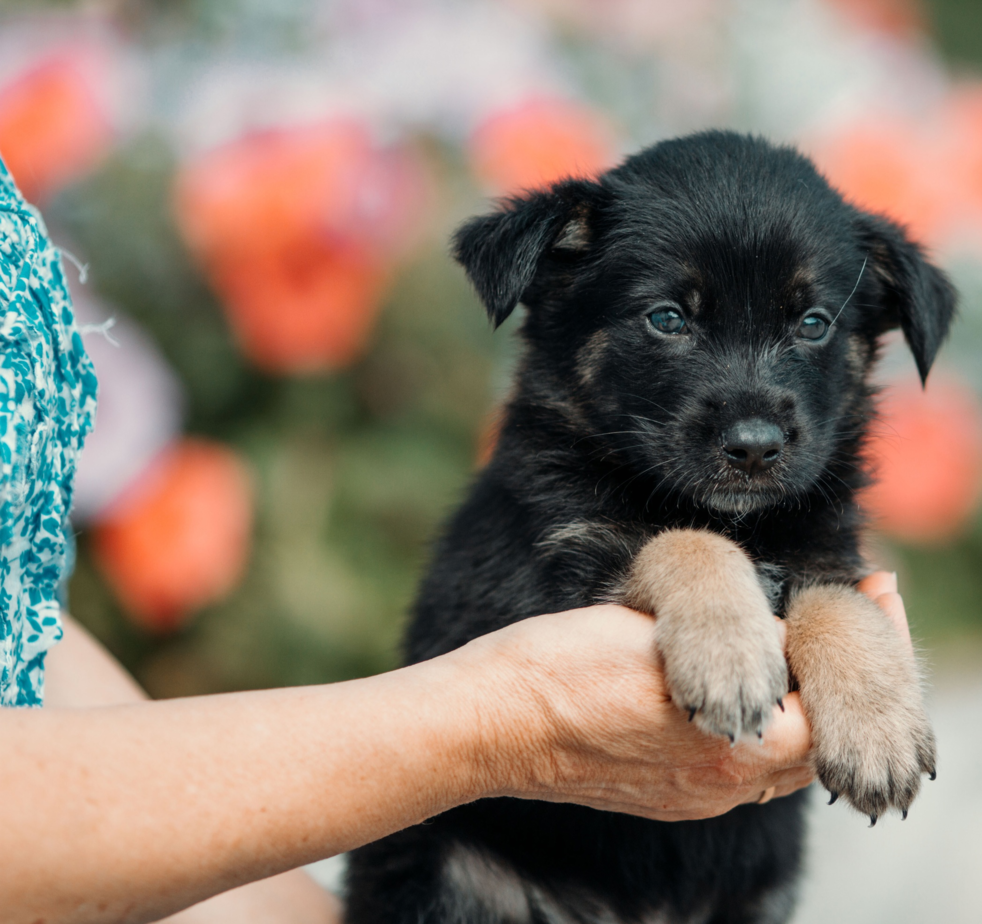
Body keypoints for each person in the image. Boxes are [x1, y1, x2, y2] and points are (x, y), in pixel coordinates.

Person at [0, 156, 914, 923]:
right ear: (554, 299)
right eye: (669, 319)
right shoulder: (557, 480)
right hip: (487, 881)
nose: (754, 419)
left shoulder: (813, 483)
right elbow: (586, 580)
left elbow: (26, 634)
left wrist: (846, 646)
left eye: (809, 325)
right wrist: (698, 569)